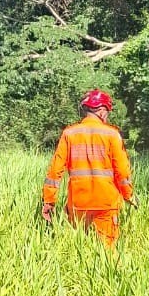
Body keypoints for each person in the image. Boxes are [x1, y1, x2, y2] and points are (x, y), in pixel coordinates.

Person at [42, 90, 135, 247]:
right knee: (108, 254)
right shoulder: (112, 134)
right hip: (106, 204)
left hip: (78, 204)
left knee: (78, 250)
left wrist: (49, 201)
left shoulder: (69, 134)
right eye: (108, 112)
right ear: (101, 110)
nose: (108, 116)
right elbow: (123, 172)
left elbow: (54, 172)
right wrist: (129, 196)